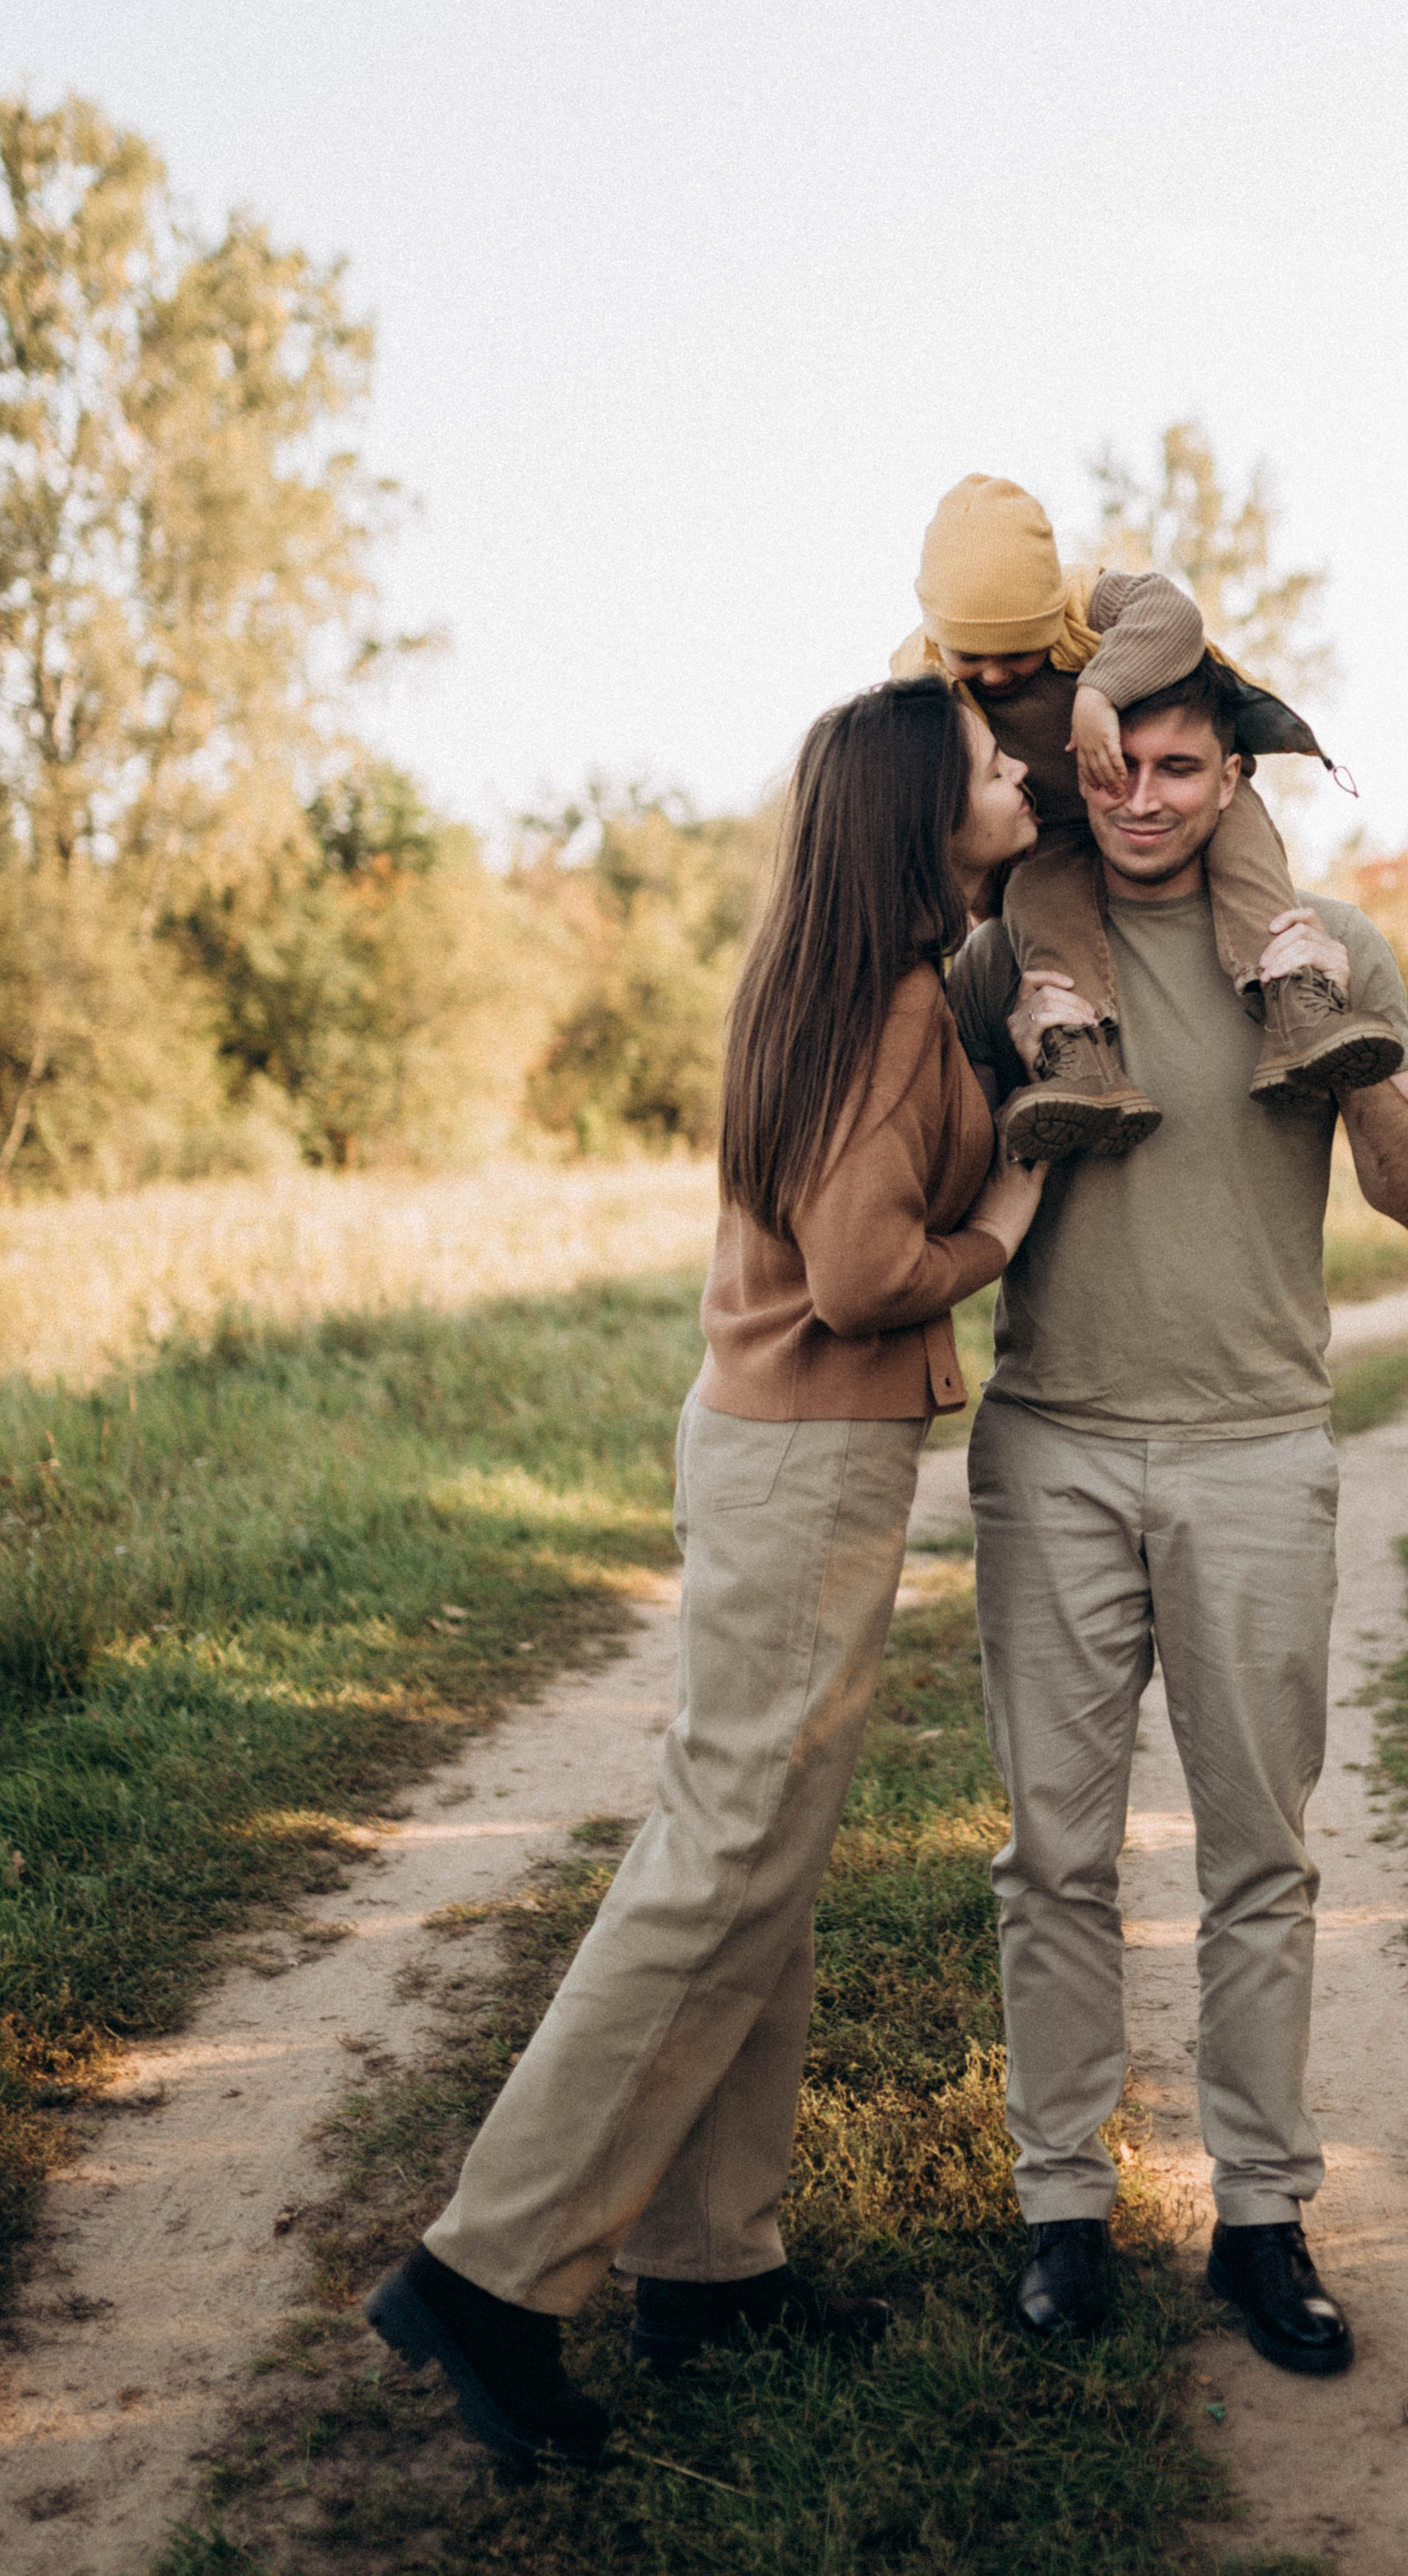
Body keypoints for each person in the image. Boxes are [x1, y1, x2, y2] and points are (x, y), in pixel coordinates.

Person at [365, 675, 1048, 2467]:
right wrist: (1008, 1215)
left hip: (773, 1450)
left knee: (761, 1863)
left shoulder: (837, 972)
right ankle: (486, 2272)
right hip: (804, 1459)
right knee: (723, 1862)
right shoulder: (889, 999)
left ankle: (707, 2263)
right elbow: (860, 1273)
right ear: (922, 810)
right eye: (993, 760)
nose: (1020, 770)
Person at [947, 653, 1408, 2376]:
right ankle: (1061, 2212)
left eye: (1181, 768)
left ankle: (1261, 2221)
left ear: (1234, 777)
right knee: (1054, 1853)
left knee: (1260, 1856)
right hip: (1055, 1446)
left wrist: (1339, 1038)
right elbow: (925, 1156)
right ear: (1078, 764)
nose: (1144, 798)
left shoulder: (1324, 944)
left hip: (1255, 1450)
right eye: (1118, 766)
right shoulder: (1010, 952)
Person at [891, 474, 1406, 1161]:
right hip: (1054, 824)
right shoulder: (919, 678)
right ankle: (1077, 1056)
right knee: (1041, 904)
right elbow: (922, 784)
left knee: (1246, 857)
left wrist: (1098, 692)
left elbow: (1172, 615)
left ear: (1050, 609)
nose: (993, 674)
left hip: (1187, 799)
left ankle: (1298, 1002)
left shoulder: (1085, 599)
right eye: (970, 657)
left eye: (1016, 652)